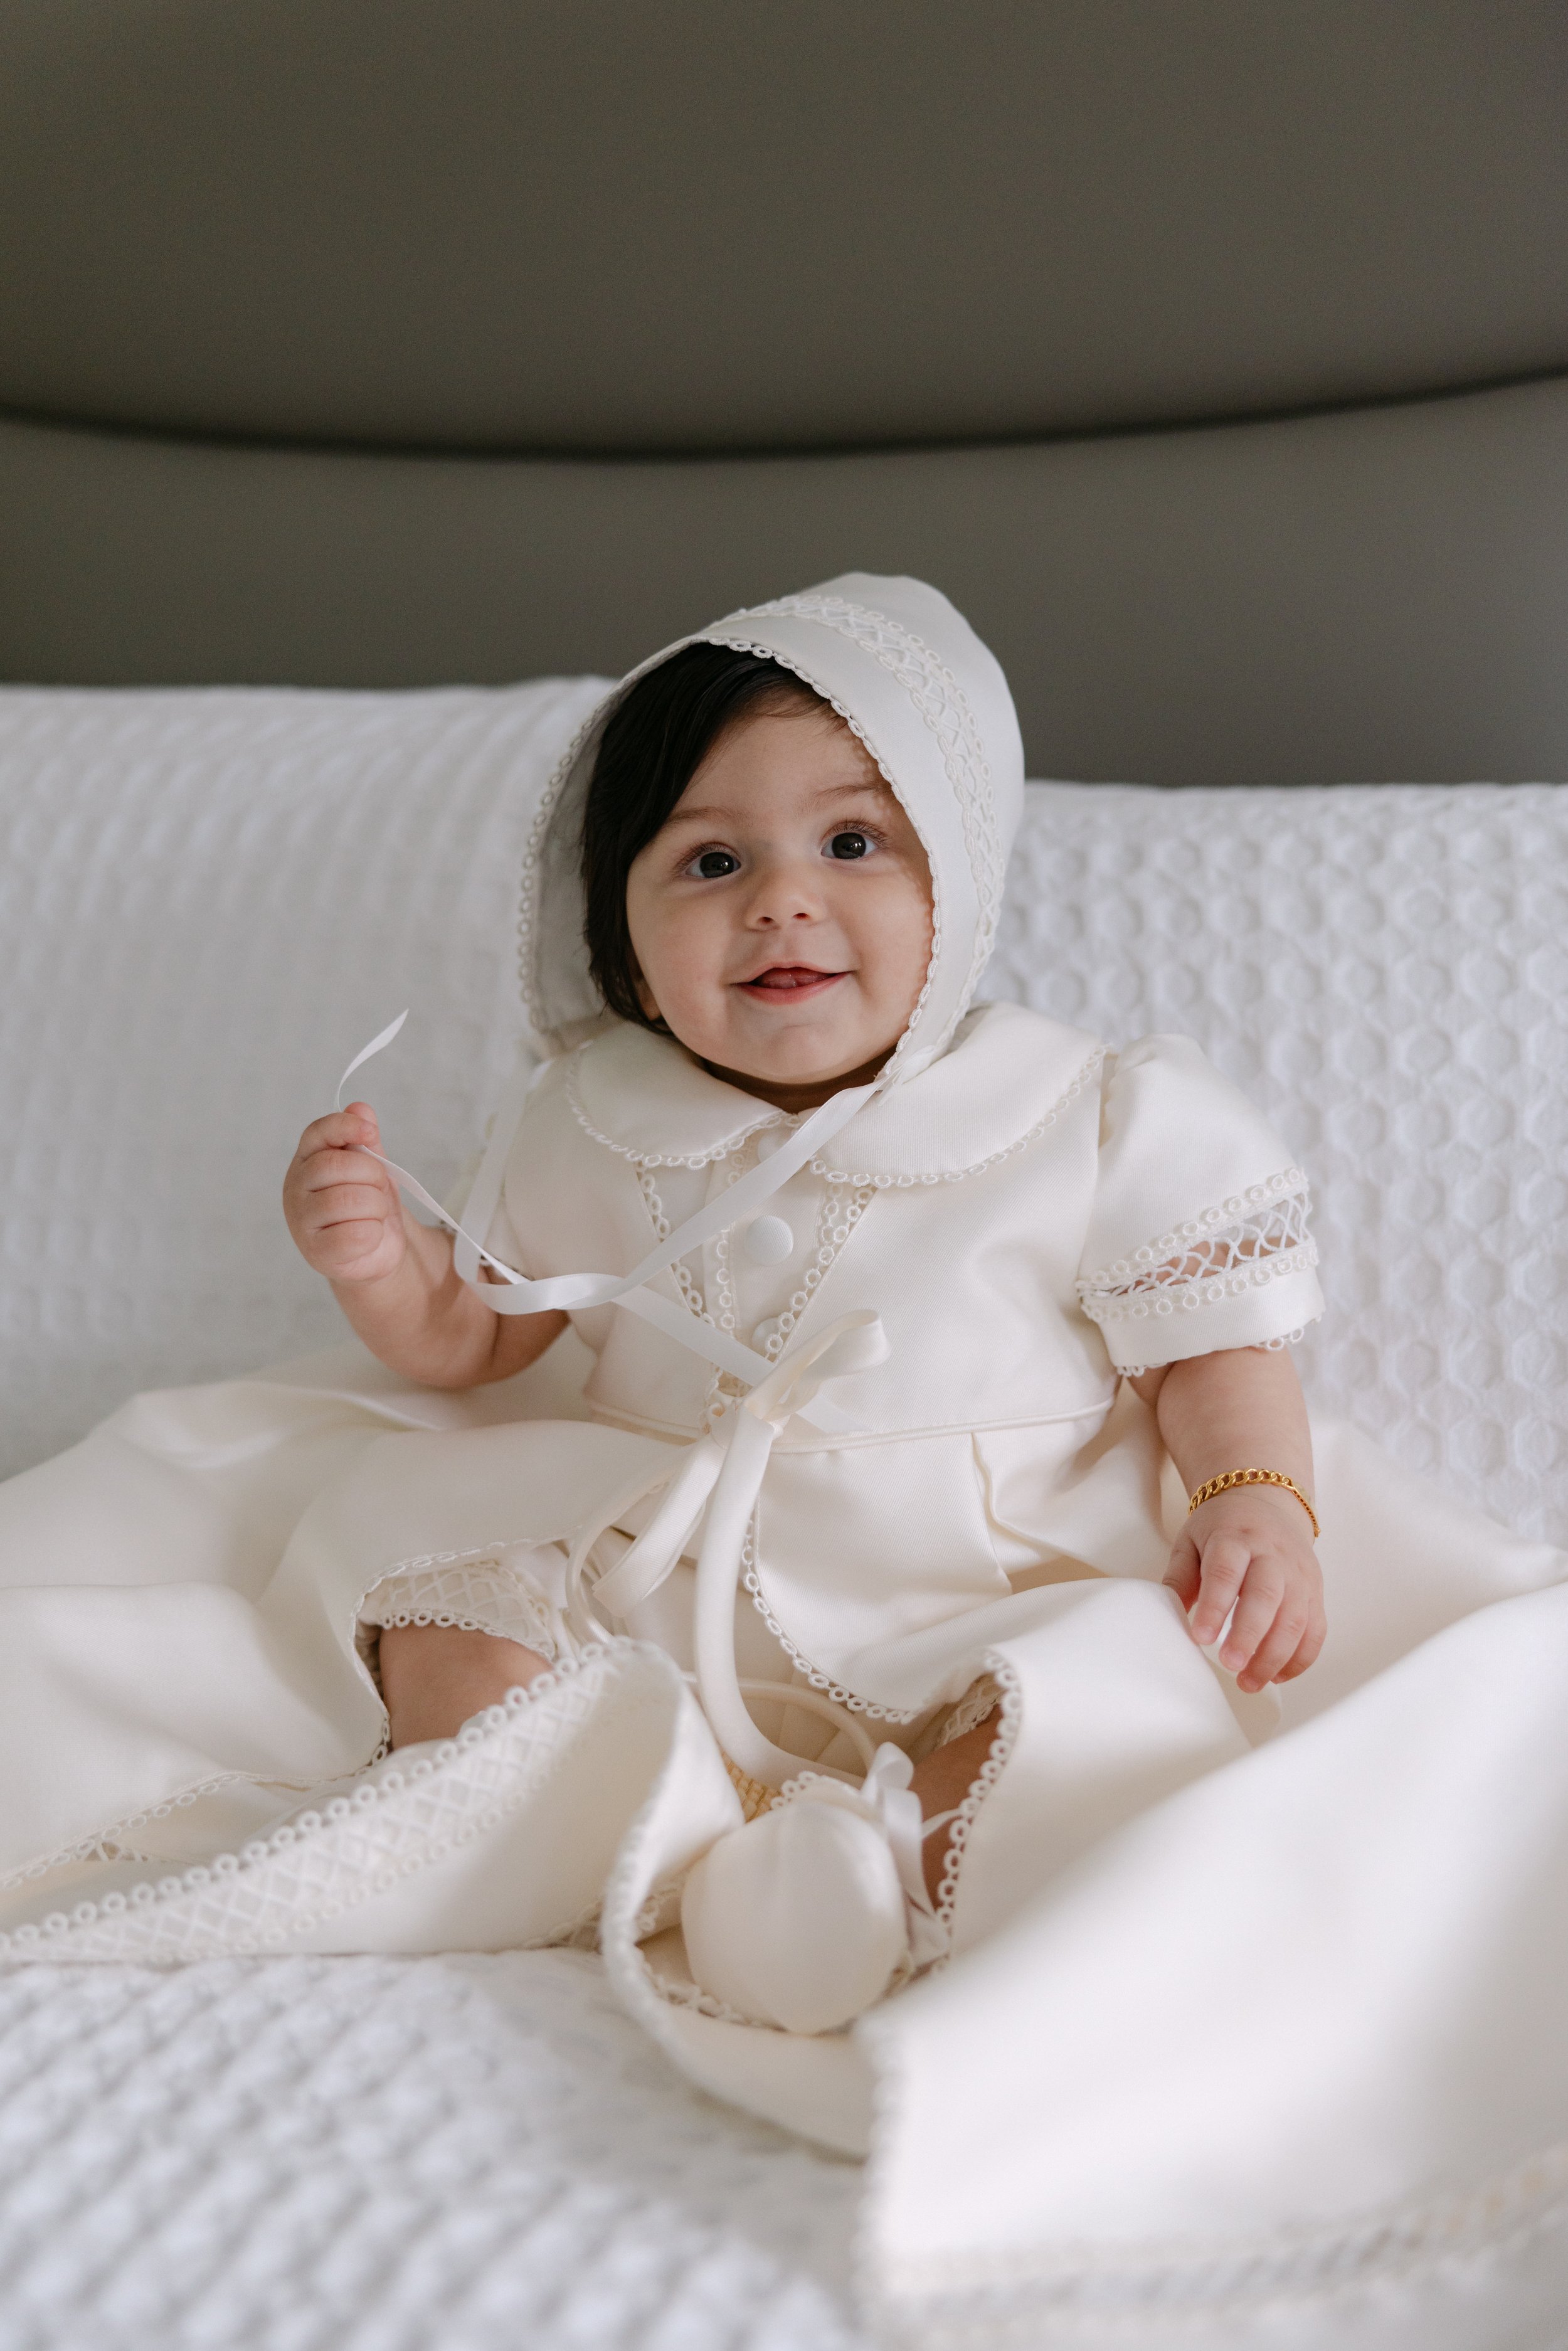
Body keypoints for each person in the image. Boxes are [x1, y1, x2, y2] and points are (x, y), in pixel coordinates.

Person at [0, 580, 1562, 2338]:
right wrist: (380, 1265)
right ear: (620, 924)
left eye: (850, 839)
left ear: (955, 879)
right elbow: (481, 1346)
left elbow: (1211, 1349)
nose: (784, 900)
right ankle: (615, 1814)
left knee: (1069, 1714)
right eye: (707, 862)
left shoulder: (1081, 1110)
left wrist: (1252, 1498)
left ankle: (876, 1861)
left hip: (973, 1570)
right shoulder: (595, 1113)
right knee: (434, 1589)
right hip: (657, 1562)